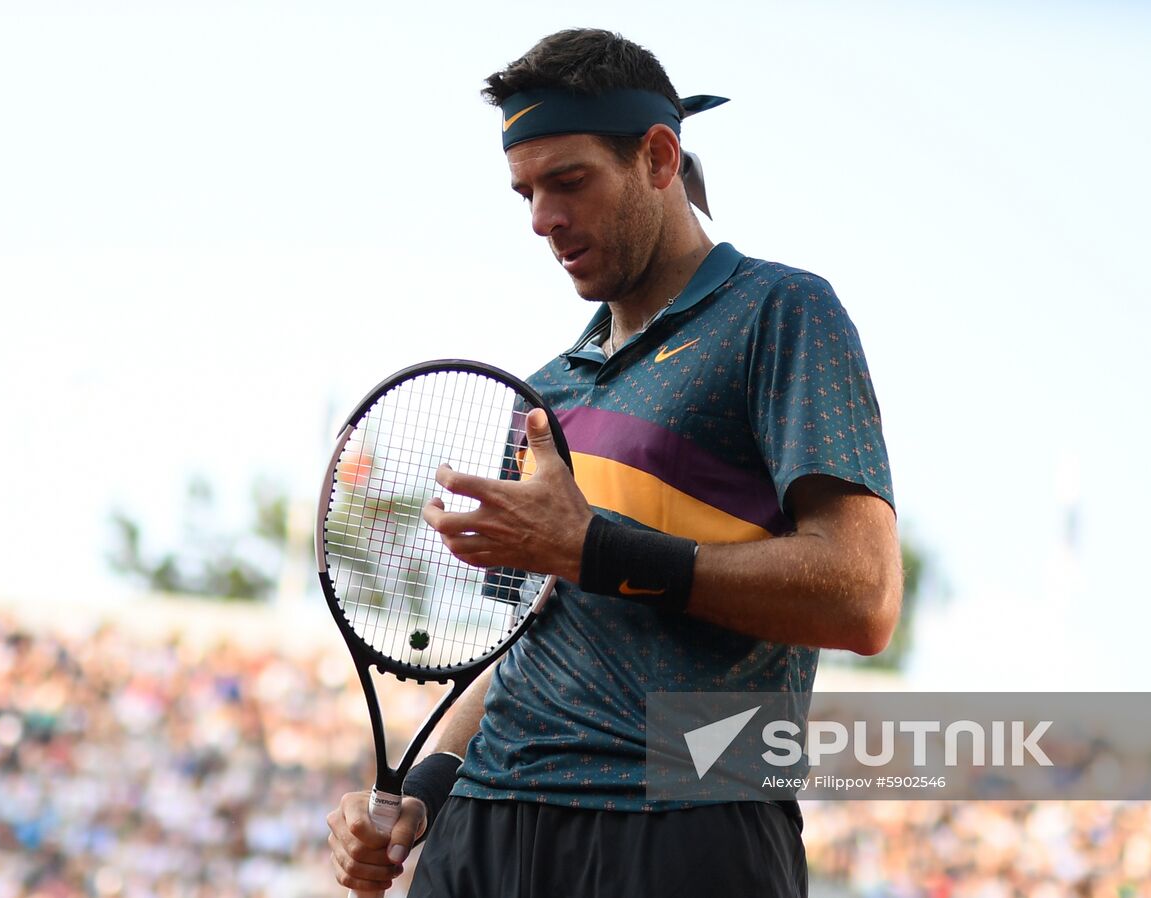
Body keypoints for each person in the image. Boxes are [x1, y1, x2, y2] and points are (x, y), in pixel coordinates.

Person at [326, 28, 901, 898]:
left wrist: (596, 547)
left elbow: (863, 597)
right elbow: (522, 642)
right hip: (487, 825)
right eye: (525, 192)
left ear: (660, 158)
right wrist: (427, 792)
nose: (542, 218)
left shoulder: (781, 312)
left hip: (688, 820)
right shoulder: (543, 393)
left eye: (569, 181)